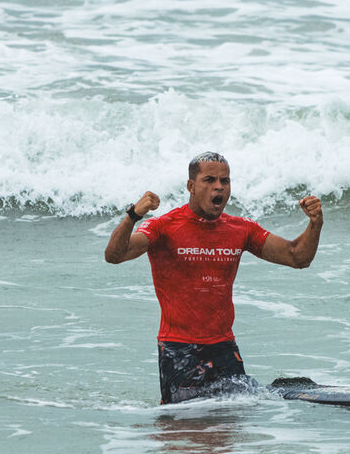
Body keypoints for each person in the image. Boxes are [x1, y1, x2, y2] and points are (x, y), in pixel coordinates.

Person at [104, 151, 323, 404]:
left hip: (224, 349)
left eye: (225, 181)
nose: (218, 186)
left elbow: (297, 257)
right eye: (209, 180)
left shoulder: (241, 229)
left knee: (230, 431)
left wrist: (315, 223)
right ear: (191, 186)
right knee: (185, 431)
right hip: (179, 350)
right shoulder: (164, 226)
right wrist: (133, 216)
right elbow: (114, 255)